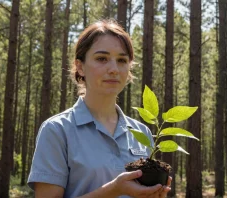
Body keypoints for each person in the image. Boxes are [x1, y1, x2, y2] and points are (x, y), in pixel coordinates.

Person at [27, 19, 172, 198]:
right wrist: (114, 190)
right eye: (102, 58)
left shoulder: (141, 132)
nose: (113, 69)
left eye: (121, 60)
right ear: (80, 67)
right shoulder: (57, 130)